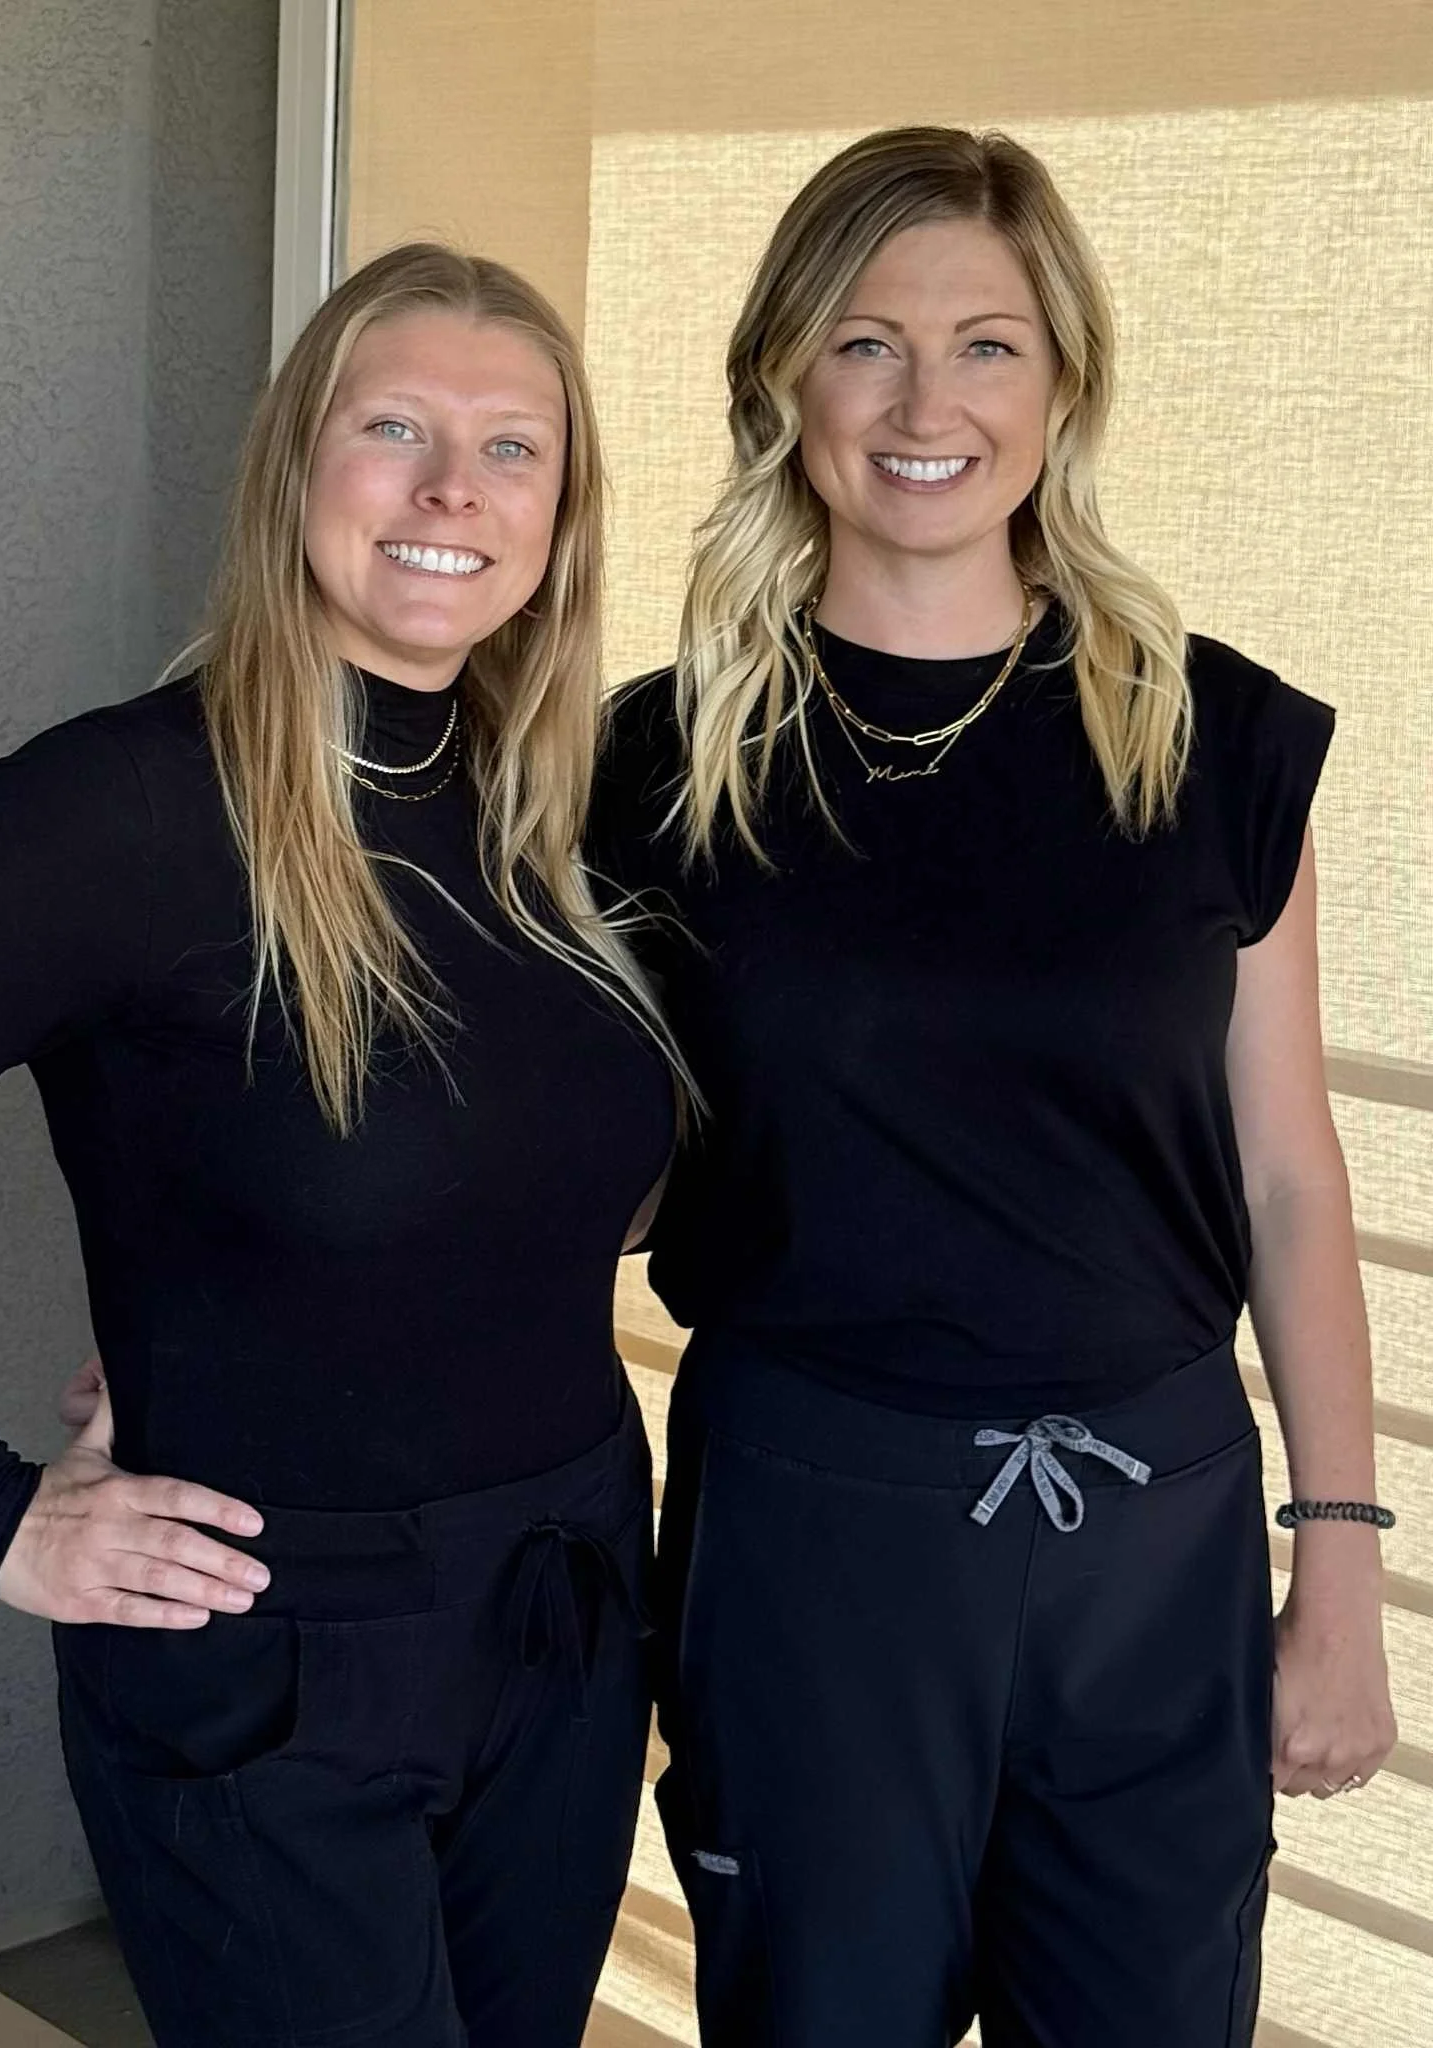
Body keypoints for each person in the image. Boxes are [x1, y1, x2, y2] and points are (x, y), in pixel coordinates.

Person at [0, 243, 678, 2048]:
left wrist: (236, 1295)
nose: (456, 490)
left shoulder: (560, 823)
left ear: (565, 514)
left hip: (568, 1611)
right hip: (268, 1663)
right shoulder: (112, 812)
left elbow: (515, 1196)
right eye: (397, 429)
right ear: (297, 465)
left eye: (514, 448)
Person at [590, 127, 1397, 2048]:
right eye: (865, 341)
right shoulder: (665, 762)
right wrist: (272, 1340)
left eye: (989, 345)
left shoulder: (1209, 740)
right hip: (811, 1528)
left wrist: (1346, 1569)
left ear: (1065, 387)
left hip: (1156, 1537)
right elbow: (571, 1167)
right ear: (785, 377)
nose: (925, 400)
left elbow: (1287, 1175)